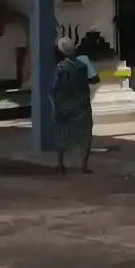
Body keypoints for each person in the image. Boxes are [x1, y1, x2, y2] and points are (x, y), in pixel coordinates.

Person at [50, 34, 104, 173]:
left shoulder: (61, 68)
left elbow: (55, 87)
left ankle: (61, 164)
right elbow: (92, 80)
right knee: (85, 135)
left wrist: (55, 102)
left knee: (63, 134)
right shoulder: (82, 65)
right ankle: (83, 165)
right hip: (82, 104)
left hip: (64, 105)